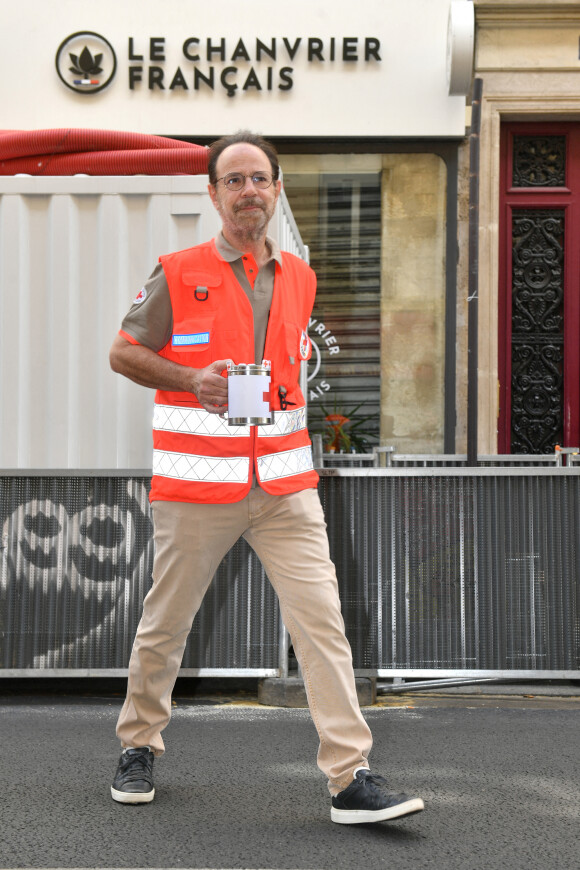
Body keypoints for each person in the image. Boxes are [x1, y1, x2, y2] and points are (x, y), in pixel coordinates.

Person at [108, 130, 424, 825]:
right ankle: (138, 745)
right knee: (166, 624)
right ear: (215, 193)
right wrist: (192, 379)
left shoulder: (301, 279)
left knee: (323, 628)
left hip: (285, 488)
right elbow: (123, 353)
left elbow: (286, 378)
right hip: (197, 488)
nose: (248, 190)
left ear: (276, 189)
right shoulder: (177, 269)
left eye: (260, 178)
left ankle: (350, 776)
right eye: (234, 179)